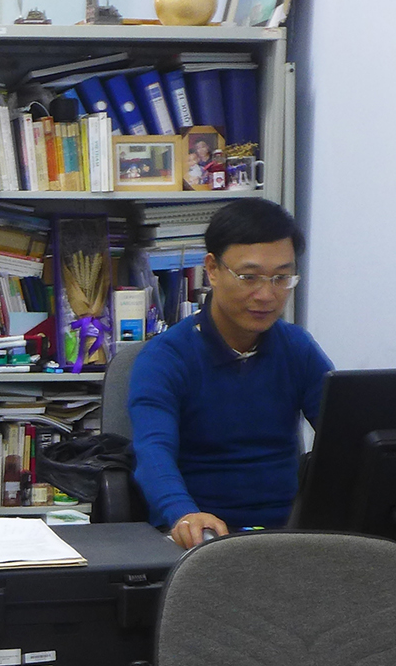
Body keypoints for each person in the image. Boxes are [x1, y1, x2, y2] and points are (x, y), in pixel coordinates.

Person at [128, 198, 333, 548]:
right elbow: (153, 452)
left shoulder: (297, 348)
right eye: (249, 277)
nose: (267, 294)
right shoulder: (165, 358)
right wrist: (183, 514)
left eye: (281, 278)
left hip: (289, 534)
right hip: (199, 536)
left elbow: (345, 435)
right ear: (212, 269)